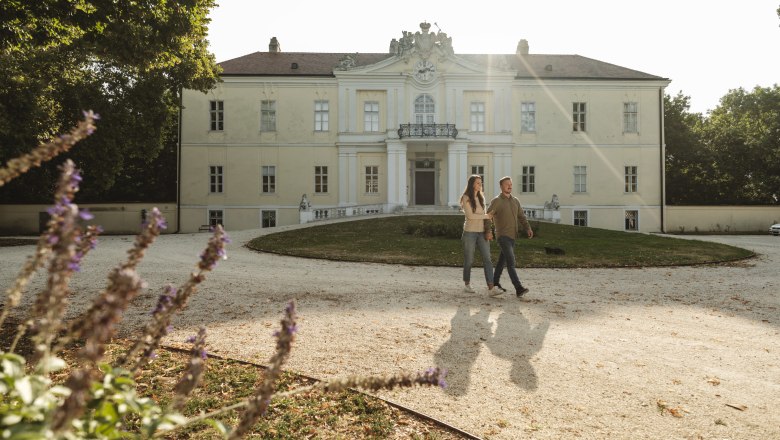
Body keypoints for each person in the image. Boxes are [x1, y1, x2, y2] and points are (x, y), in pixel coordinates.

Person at [486, 176, 534, 297]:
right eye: (507, 184)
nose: (510, 186)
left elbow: (522, 217)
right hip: (502, 236)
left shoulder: (515, 201)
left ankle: (495, 283)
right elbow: (488, 216)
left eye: (511, 184)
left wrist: (528, 228)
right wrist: (488, 231)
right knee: (511, 262)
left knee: (502, 261)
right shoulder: (497, 201)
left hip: (513, 236)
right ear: (501, 186)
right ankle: (518, 288)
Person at [460, 175, 500, 295]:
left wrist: (488, 230)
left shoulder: (481, 197)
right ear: (472, 184)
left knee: (487, 259)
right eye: (478, 183)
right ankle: (467, 284)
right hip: (469, 233)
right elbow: (470, 216)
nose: (480, 184)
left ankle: (491, 287)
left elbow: (486, 216)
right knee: (469, 260)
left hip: (482, 232)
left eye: (481, 183)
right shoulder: (466, 197)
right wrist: (486, 216)